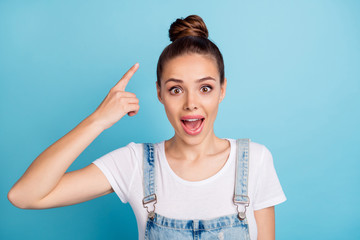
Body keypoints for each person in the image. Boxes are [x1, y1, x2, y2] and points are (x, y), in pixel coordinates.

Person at [8, 15, 286, 240]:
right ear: (159, 93)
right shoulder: (135, 164)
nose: (191, 103)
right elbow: (24, 195)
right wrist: (98, 120)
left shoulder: (255, 161)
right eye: (176, 89)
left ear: (222, 90)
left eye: (205, 88)